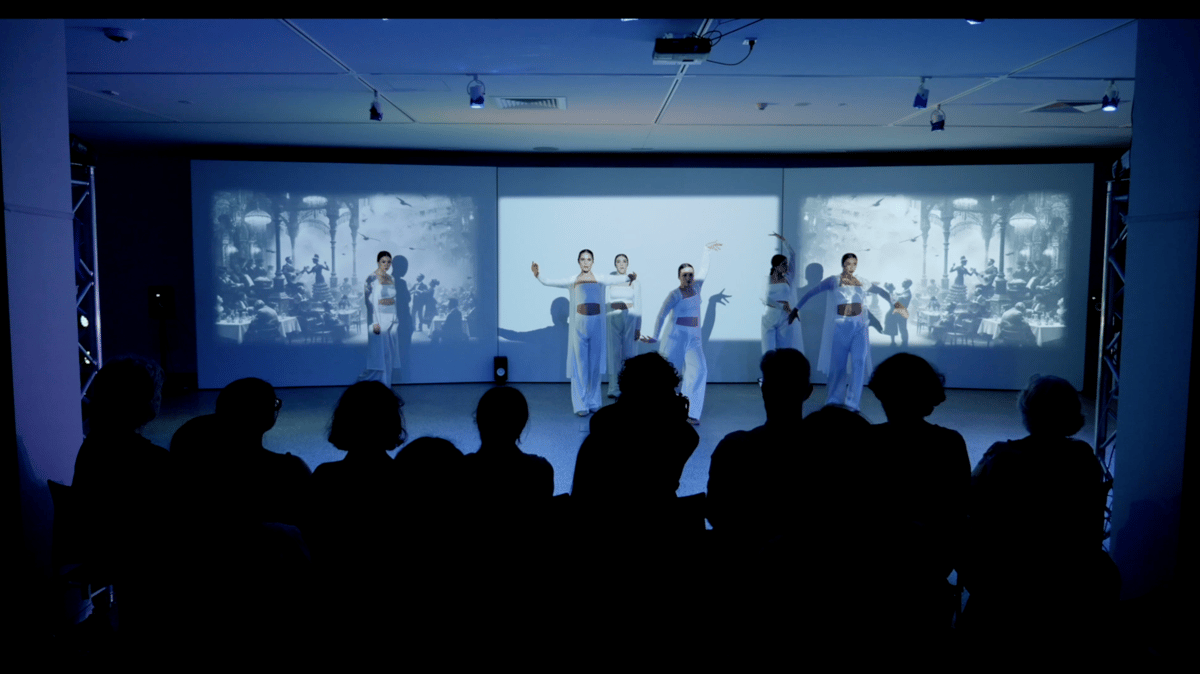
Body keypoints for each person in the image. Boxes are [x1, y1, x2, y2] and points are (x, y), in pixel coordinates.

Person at [961, 376, 1115, 656]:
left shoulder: (1001, 458)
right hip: (1068, 586)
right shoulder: (1083, 459)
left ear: (1026, 410)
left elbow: (970, 513)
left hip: (1005, 588)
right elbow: (1089, 529)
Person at [865, 354, 970, 632]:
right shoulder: (949, 444)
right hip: (928, 577)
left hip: (873, 578)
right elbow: (958, 515)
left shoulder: (865, 442)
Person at [791, 253, 908, 411]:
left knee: (858, 363)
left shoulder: (862, 281)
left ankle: (853, 402)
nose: (851, 266)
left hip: (859, 326)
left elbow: (881, 292)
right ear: (843, 264)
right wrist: (796, 309)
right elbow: (812, 292)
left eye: (854, 263)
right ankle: (834, 399)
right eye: (848, 263)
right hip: (841, 327)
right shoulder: (833, 281)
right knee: (838, 366)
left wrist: (897, 304)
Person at [532, 249, 636, 416]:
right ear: (579, 262)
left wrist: (629, 277)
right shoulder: (573, 280)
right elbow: (551, 282)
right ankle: (580, 405)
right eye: (583, 259)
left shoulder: (600, 278)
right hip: (580, 325)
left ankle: (593, 402)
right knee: (580, 366)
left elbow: (615, 278)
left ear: (592, 262)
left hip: (596, 325)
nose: (586, 262)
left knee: (594, 367)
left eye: (589, 259)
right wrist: (539, 276)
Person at [643, 241, 722, 424]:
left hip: (694, 337)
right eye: (685, 275)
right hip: (675, 337)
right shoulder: (674, 294)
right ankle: (659, 410)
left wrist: (706, 251)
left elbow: (704, 269)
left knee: (699, 370)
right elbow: (661, 315)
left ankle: (690, 412)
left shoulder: (698, 287)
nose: (689, 277)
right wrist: (655, 336)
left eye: (690, 274)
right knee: (667, 374)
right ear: (679, 277)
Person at [361, 251, 409, 387]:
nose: (386, 265)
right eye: (383, 261)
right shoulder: (371, 278)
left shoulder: (390, 279)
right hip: (377, 322)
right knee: (377, 356)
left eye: (388, 262)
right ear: (378, 262)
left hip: (390, 321)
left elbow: (392, 301)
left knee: (389, 355)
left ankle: (386, 386)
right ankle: (374, 387)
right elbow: (368, 302)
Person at [605, 253, 642, 399]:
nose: (621, 264)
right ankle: (614, 387)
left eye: (624, 261)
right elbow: (605, 301)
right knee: (613, 352)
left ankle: (630, 387)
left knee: (630, 353)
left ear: (627, 264)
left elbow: (639, 305)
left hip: (630, 317)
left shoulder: (635, 282)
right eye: (618, 262)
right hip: (613, 317)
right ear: (615, 264)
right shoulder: (609, 281)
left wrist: (638, 327)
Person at [761, 233, 804, 355]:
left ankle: (783, 374)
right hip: (769, 317)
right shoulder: (767, 280)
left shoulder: (788, 278)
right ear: (775, 266)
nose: (786, 267)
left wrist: (784, 241)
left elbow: (793, 255)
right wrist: (782, 305)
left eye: (786, 264)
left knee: (784, 353)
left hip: (785, 317)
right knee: (768, 353)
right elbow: (764, 298)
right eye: (783, 264)